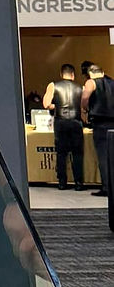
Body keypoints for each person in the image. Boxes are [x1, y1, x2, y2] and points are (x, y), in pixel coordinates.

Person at [44, 63, 84, 191]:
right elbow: (84, 108)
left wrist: (58, 106)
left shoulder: (53, 85)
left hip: (61, 121)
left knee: (61, 153)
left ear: (61, 74)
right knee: (77, 153)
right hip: (76, 121)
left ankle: (62, 182)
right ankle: (78, 182)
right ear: (73, 75)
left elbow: (46, 104)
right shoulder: (80, 88)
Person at [82, 63, 114, 196]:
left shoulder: (91, 82)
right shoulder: (112, 82)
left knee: (103, 155)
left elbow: (85, 97)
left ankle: (107, 187)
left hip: (100, 122)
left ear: (90, 74)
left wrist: (84, 109)